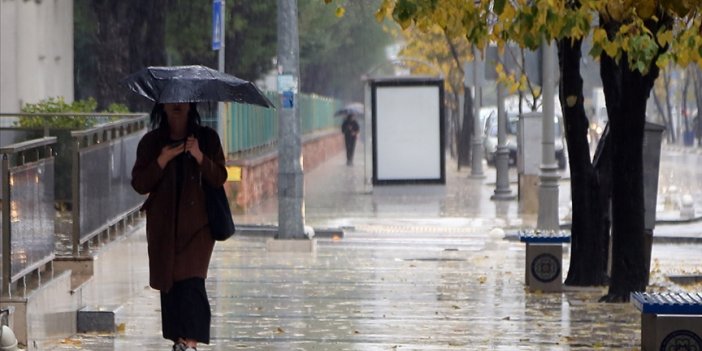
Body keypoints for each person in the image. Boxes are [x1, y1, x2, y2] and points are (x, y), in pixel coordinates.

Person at [131, 102, 227, 351]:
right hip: (164, 227)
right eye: (171, 99)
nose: (176, 104)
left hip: (199, 227)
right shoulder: (152, 142)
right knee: (170, 280)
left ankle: (191, 342)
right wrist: (162, 159)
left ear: (190, 105)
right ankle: (180, 340)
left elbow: (219, 177)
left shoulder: (207, 138)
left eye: (182, 100)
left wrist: (199, 156)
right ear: (162, 105)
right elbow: (140, 183)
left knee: (192, 280)